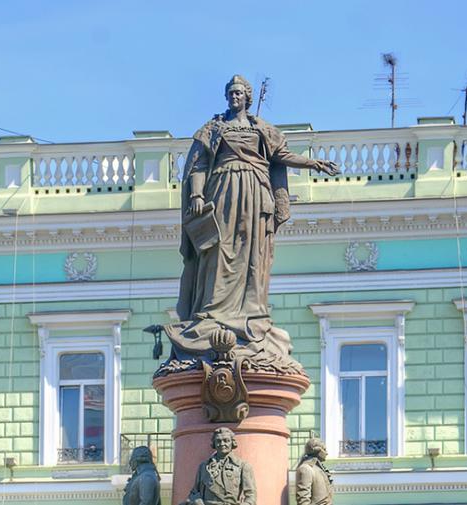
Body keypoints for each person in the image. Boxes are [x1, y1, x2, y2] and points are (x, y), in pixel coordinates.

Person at [163, 75, 339, 368]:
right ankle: (211, 312)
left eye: (239, 93)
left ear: (247, 97)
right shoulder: (214, 128)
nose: (235, 97)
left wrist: (314, 163)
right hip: (221, 191)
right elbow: (200, 164)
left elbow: (281, 156)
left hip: (255, 193)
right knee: (218, 251)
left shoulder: (261, 130)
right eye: (230, 93)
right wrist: (195, 195)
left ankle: (251, 312)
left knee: (252, 253)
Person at [182, 427, 256, 505]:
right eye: (218, 441)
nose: (222, 444)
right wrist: (197, 501)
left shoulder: (242, 466)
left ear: (232, 443)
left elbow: (251, 496)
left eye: (226, 441)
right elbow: (194, 492)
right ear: (214, 443)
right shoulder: (203, 466)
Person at [295, 438, 333, 505]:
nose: (327, 453)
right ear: (316, 450)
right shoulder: (306, 469)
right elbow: (303, 500)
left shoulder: (319, 469)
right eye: (324, 449)